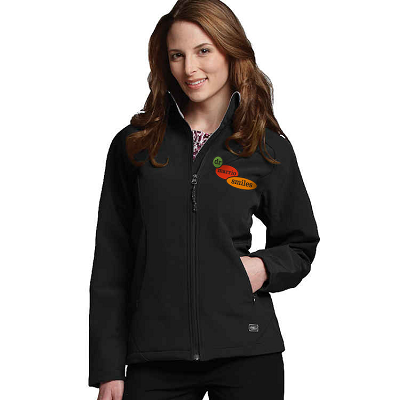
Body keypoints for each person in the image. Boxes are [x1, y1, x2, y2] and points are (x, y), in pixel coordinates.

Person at [88, 0, 320, 399]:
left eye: (203, 51)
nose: (189, 68)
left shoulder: (265, 147)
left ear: (230, 51)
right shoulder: (136, 145)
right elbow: (112, 261)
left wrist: (263, 267)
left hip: (247, 350)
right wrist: (109, 368)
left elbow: (300, 243)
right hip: (155, 355)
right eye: (177, 55)